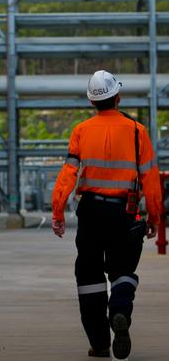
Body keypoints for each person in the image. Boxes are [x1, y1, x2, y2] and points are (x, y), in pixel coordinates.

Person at [51, 70, 162, 360]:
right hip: (125, 213)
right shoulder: (138, 132)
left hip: (90, 213)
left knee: (88, 275)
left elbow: (68, 173)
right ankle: (121, 310)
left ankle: (100, 343)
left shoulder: (81, 131)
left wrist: (58, 210)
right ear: (118, 98)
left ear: (92, 102)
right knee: (123, 269)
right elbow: (150, 177)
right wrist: (155, 217)